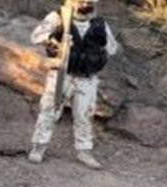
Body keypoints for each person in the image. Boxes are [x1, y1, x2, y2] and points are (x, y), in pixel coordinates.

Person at [28, 0, 120, 169]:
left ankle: (84, 151)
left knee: (84, 115)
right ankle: (39, 147)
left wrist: (94, 55)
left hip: (87, 78)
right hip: (62, 74)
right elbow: (36, 36)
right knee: (50, 110)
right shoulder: (58, 17)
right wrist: (55, 41)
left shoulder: (99, 24)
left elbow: (112, 47)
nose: (85, 4)